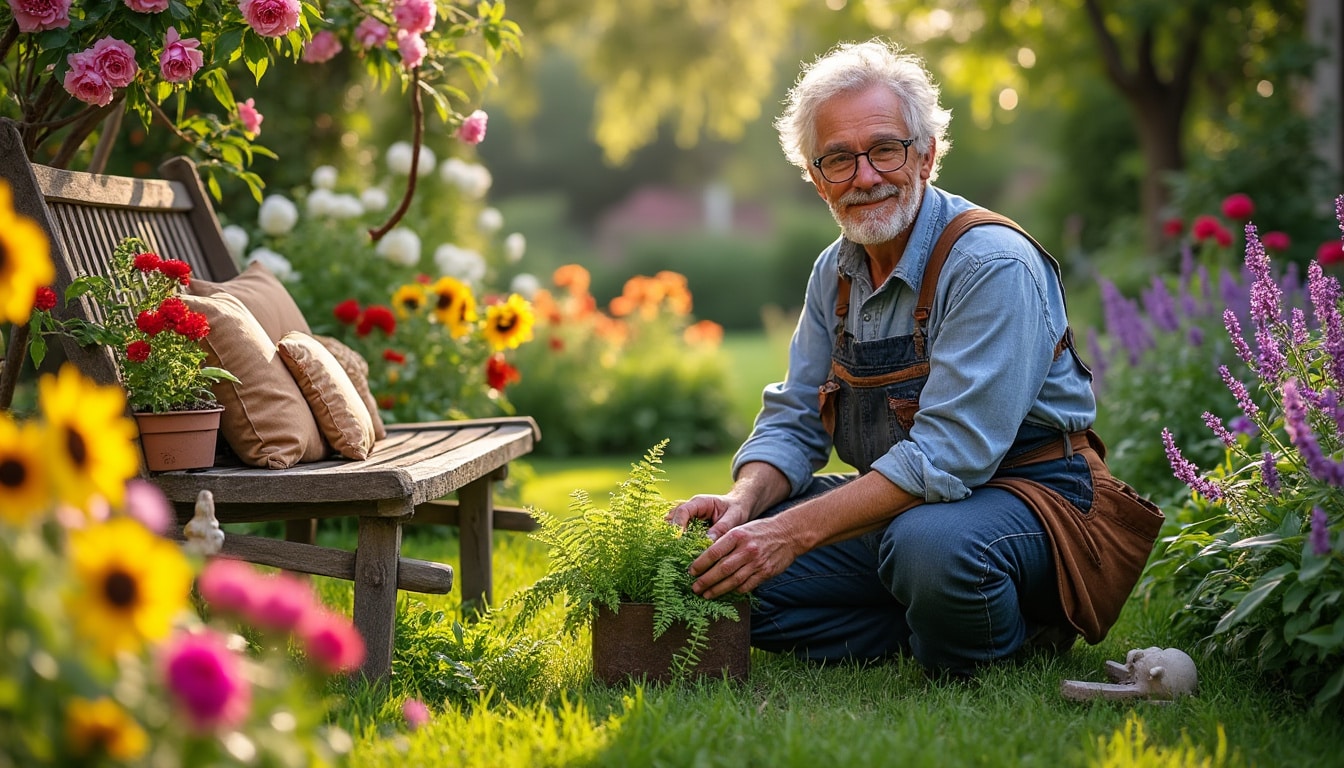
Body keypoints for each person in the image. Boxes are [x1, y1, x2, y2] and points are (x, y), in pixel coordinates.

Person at [668, 39, 1160, 676]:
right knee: (714, 564)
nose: (865, 176)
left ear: (926, 154)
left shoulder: (990, 263)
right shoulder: (835, 273)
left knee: (928, 547)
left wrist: (789, 534)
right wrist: (744, 504)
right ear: (816, 179)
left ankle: (1011, 633)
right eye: (838, 159)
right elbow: (794, 415)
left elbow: (950, 454)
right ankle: (932, 620)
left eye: (885, 149)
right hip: (902, 507)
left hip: (1034, 499)